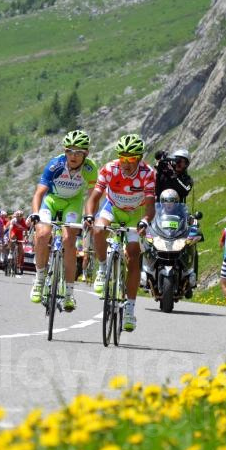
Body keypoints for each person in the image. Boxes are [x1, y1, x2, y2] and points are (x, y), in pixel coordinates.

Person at [85, 133, 156, 331]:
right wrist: (90, 215)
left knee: (133, 255)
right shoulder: (110, 168)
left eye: (131, 158)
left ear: (139, 158)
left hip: (135, 214)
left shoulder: (148, 173)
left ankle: (130, 311)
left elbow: (150, 206)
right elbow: (95, 196)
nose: (126, 163)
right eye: (123, 157)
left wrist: (145, 220)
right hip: (112, 208)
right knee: (98, 230)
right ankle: (101, 269)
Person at [29, 130, 98, 311]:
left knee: (69, 240)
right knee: (43, 234)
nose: (73, 156)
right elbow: (39, 193)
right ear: (64, 151)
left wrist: (89, 216)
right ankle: (40, 279)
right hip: (51, 201)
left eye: (78, 152)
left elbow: (92, 197)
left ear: (86, 154)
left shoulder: (90, 169)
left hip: (73, 203)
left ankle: (69, 293)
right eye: (69, 151)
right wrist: (35, 213)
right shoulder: (55, 165)